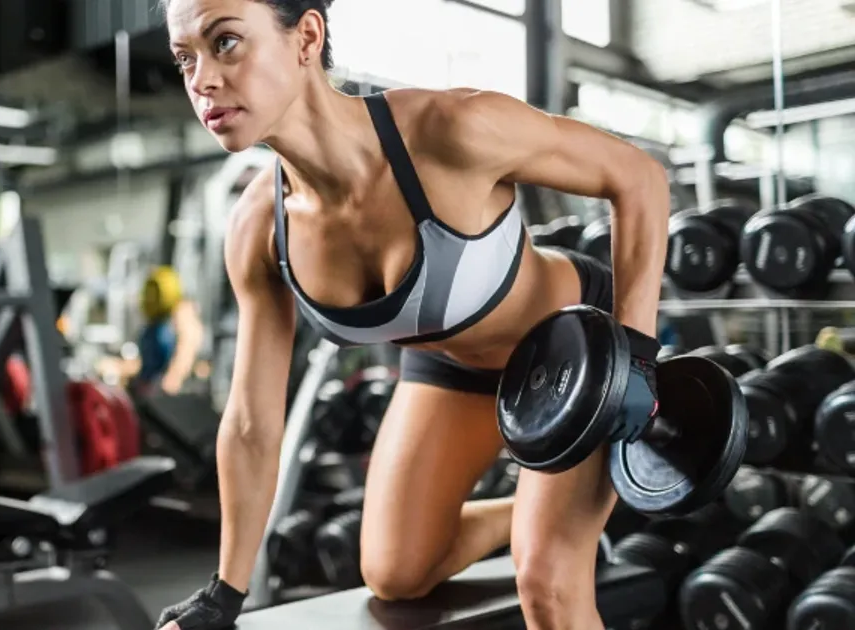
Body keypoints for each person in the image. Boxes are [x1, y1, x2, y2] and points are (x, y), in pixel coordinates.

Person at [155, 1, 669, 629]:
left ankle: (555, 526)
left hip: (571, 349)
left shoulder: (449, 129)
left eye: (226, 42)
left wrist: (635, 357)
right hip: (448, 372)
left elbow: (638, 178)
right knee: (395, 573)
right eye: (186, 58)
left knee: (549, 585)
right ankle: (536, 512)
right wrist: (223, 593)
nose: (201, 79)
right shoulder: (261, 228)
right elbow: (251, 423)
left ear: (306, 38)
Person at [134, 266, 205, 395]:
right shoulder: (153, 324)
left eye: (155, 291)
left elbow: (189, 344)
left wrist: (174, 377)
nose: (150, 296)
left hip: (171, 394)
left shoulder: (182, 312)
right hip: (149, 391)